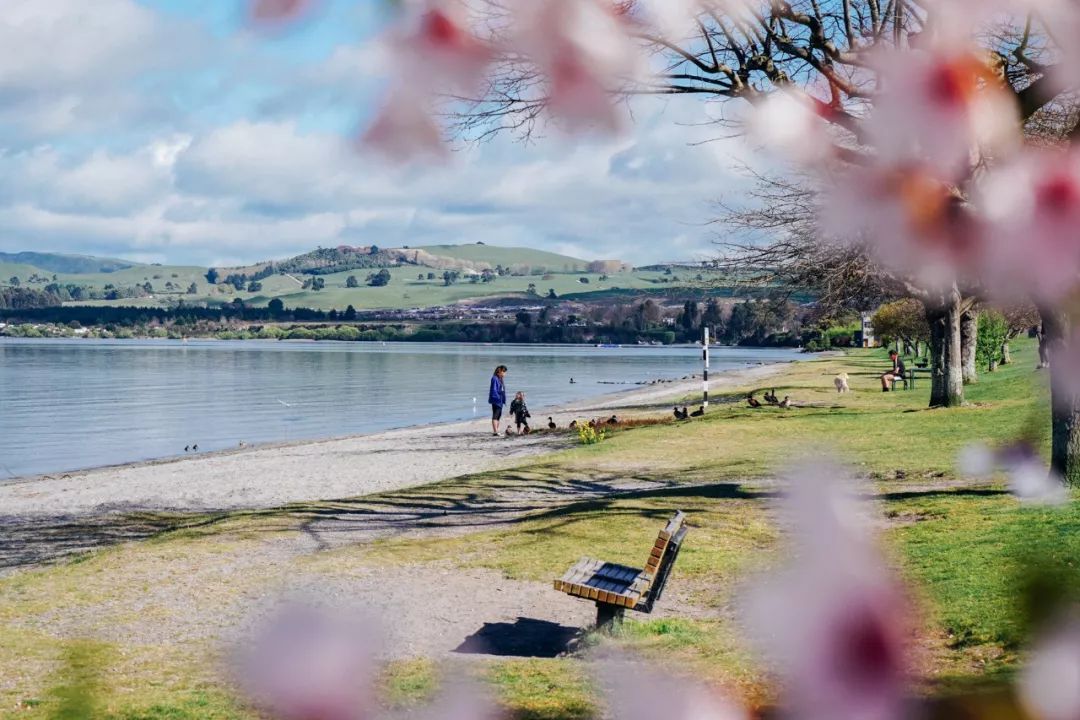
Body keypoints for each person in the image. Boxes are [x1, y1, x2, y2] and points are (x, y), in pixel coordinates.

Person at [488, 365, 508, 435]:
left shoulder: (500, 379)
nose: (505, 374)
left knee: (499, 415)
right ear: (500, 372)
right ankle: (495, 431)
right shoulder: (494, 378)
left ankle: (496, 430)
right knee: (496, 415)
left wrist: (503, 399)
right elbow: (494, 390)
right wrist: (497, 398)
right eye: (504, 372)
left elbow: (502, 390)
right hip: (496, 400)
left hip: (500, 400)